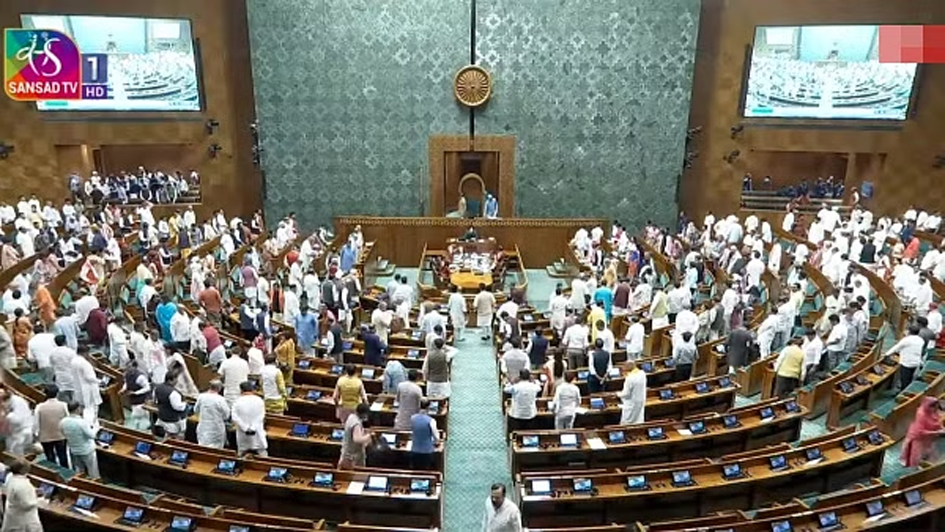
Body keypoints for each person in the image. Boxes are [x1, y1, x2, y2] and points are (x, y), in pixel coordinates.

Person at [59, 402, 100, 479]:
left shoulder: (63, 422)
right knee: (92, 471)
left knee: (79, 472)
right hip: (87, 450)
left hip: (73, 450)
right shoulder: (81, 422)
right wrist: (96, 428)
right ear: (77, 409)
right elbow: (92, 435)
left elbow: (63, 433)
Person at [900, 397, 945, 467]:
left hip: (928, 439)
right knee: (915, 458)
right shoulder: (921, 415)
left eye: (937, 408)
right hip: (918, 439)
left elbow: (937, 421)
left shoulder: (934, 411)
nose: (936, 410)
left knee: (929, 454)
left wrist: (942, 428)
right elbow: (920, 432)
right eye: (934, 408)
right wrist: (937, 432)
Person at [1, 459, 44, 532]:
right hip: (24, 519)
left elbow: (18, 494)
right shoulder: (23, 485)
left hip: (12, 513)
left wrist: (33, 492)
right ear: (22, 470)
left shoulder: (10, 477)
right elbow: (27, 504)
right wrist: (40, 499)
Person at [34, 383, 69, 467]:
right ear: (57, 393)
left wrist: (36, 434)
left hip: (45, 436)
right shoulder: (63, 405)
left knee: (50, 457)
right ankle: (65, 471)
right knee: (62, 456)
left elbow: (36, 423)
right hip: (61, 435)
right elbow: (67, 419)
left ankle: (52, 471)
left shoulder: (39, 407)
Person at [231, 381, 268, 457]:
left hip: (243, 433)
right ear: (252, 389)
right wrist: (253, 427)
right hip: (257, 432)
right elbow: (261, 416)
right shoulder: (259, 400)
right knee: (262, 453)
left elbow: (234, 417)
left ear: (241, 390)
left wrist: (245, 428)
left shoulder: (237, 401)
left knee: (241, 453)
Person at [885, 324, 925, 390]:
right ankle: (906, 388)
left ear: (909, 331)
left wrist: (886, 354)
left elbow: (896, 347)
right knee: (910, 377)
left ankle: (903, 391)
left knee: (904, 380)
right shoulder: (921, 340)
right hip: (916, 362)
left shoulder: (906, 340)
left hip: (907, 363)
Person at [194, 380, 230, 449]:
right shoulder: (221, 400)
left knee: (202, 447)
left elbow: (196, 410)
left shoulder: (201, 397)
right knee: (216, 449)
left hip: (203, 427)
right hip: (216, 428)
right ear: (219, 388)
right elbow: (226, 415)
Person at [70, 346, 102, 424]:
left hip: (79, 387)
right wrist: (100, 382)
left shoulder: (73, 361)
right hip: (88, 389)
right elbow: (89, 377)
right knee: (92, 409)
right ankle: (93, 424)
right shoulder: (84, 363)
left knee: (83, 408)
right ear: (84, 353)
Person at [120, 358, 151, 431]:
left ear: (135, 367)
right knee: (136, 416)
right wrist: (123, 389)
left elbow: (147, 388)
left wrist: (136, 393)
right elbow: (126, 383)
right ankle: (138, 429)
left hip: (142, 399)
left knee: (141, 415)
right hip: (133, 399)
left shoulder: (140, 377)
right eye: (127, 367)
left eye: (130, 367)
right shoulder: (127, 374)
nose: (128, 369)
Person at [338, 403, 372, 469]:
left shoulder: (351, 417)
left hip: (347, 453)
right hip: (352, 458)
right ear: (364, 414)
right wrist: (369, 436)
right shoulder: (356, 423)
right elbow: (357, 439)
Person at [153, 373, 188, 439]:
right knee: (175, 438)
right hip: (173, 421)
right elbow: (177, 407)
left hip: (162, 417)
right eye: (176, 379)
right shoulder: (173, 393)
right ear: (170, 380)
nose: (177, 381)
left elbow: (156, 401)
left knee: (165, 436)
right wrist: (185, 404)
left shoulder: (157, 388)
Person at [2, 388, 34, 456]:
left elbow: (13, 421)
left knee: (15, 455)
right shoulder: (18, 399)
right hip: (26, 431)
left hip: (19, 436)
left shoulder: (11, 416)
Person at [410, 399, 440, 470]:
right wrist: (436, 442)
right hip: (427, 451)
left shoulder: (412, 418)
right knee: (426, 470)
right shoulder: (431, 421)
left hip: (414, 449)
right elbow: (436, 437)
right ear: (428, 407)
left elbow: (412, 430)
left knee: (415, 470)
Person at [617, 359, 647, 424]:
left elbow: (626, 393)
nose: (624, 367)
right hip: (641, 401)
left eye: (625, 366)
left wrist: (617, 394)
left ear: (629, 366)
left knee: (628, 421)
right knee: (638, 419)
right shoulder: (642, 373)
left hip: (631, 403)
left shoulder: (630, 378)